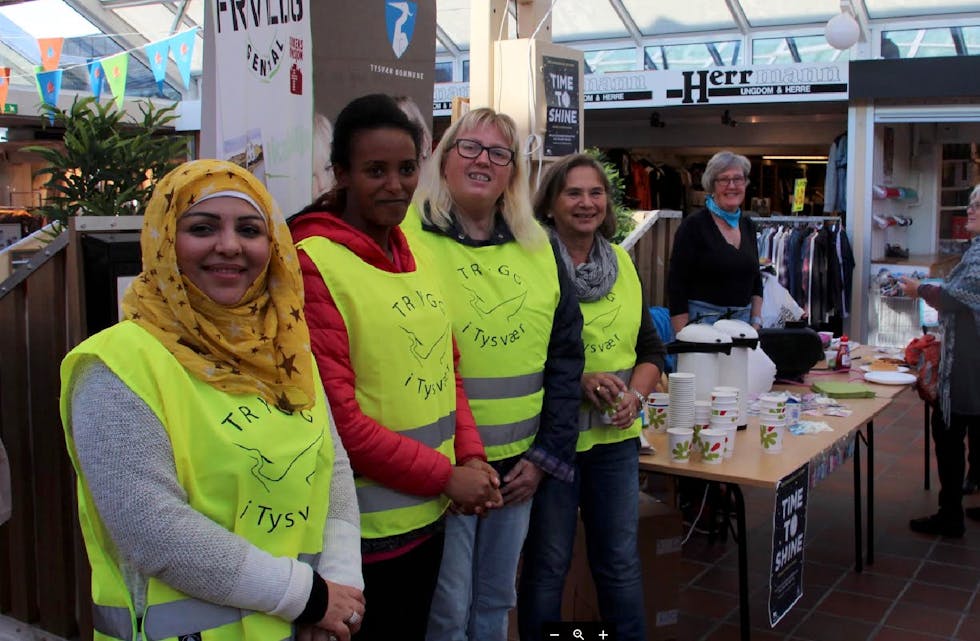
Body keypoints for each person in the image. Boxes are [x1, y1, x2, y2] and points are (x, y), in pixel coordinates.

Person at [60, 159, 365, 641]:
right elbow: (152, 530)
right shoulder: (116, 364)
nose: (229, 246)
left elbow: (333, 469)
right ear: (163, 241)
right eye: (202, 228)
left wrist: (340, 594)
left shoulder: (284, 347)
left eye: (249, 229)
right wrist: (308, 598)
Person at [289, 94, 503, 641]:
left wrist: (472, 456)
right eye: (375, 171)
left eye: (407, 169)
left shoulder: (414, 250)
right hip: (363, 533)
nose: (395, 185)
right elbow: (339, 421)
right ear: (340, 173)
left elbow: (446, 369)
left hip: (428, 517)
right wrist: (449, 476)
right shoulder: (314, 260)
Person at [404, 108, 584, 641]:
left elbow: (566, 356)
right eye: (470, 147)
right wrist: (447, 467)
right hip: (443, 466)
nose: (483, 160)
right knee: (447, 608)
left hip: (518, 469)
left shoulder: (541, 245)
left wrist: (546, 458)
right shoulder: (407, 237)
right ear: (445, 156)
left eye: (499, 153)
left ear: (512, 172)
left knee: (494, 599)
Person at [520, 153, 666, 641]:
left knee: (619, 562)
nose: (586, 203)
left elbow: (650, 349)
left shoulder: (622, 261)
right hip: (555, 443)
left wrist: (637, 398)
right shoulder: (531, 262)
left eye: (595, 193)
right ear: (551, 203)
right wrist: (579, 381)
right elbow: (519, 353)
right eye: (573, 193)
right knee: (548, 565)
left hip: (614, 442)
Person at [900, 185, 980, 538]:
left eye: (979, 206)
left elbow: (955, 298)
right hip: (972, 357)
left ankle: (950, 515)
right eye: (971, 203)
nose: (971, 210)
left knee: (948, 430)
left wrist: (919, 290)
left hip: (969, 363)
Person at [667, 150, 763, 333]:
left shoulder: (748, 226)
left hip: (742, 327)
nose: (732, 185)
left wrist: (756, 322)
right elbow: (676, 285)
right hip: (701, 326)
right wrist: (684, 335)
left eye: (738, 179)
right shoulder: (693, 226)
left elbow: (756, 279)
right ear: (712, 185)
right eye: (724, 180)